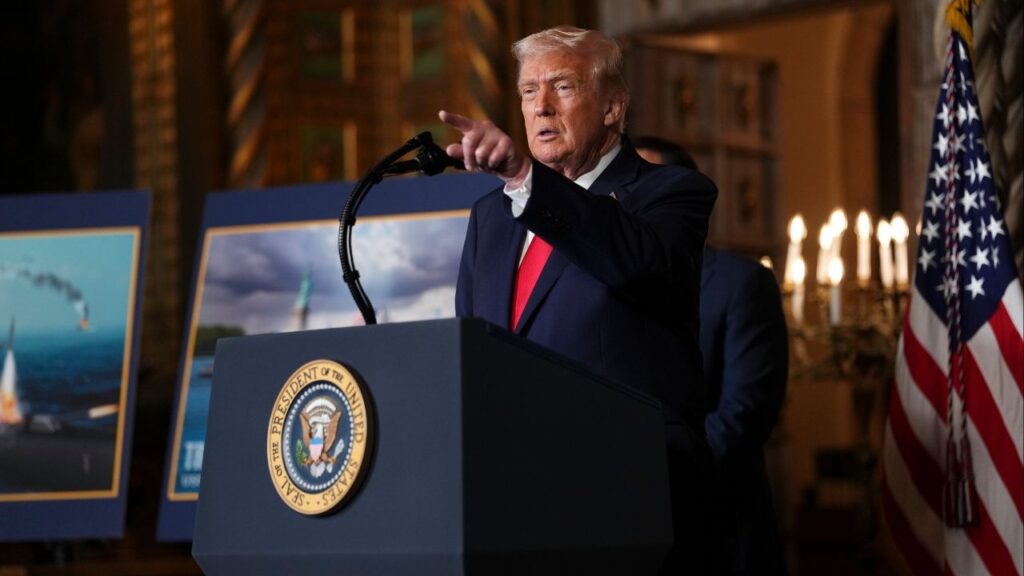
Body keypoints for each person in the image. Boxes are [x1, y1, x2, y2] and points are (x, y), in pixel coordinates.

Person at [440, 26, 723, 574]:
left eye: (562, 86)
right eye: (528, 91)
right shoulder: (490, 217)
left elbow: (633, 261)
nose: (540, 106)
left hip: (629, 494)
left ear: (613, 106)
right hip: (515, 499)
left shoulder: (671, 194)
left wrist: (526, 178)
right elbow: (471, 346)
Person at [636, 136, 789, 575]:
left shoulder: (741, 284)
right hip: (631, 535)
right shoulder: (605, 285)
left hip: (718, 530)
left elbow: (744, 415)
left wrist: (654, 479)